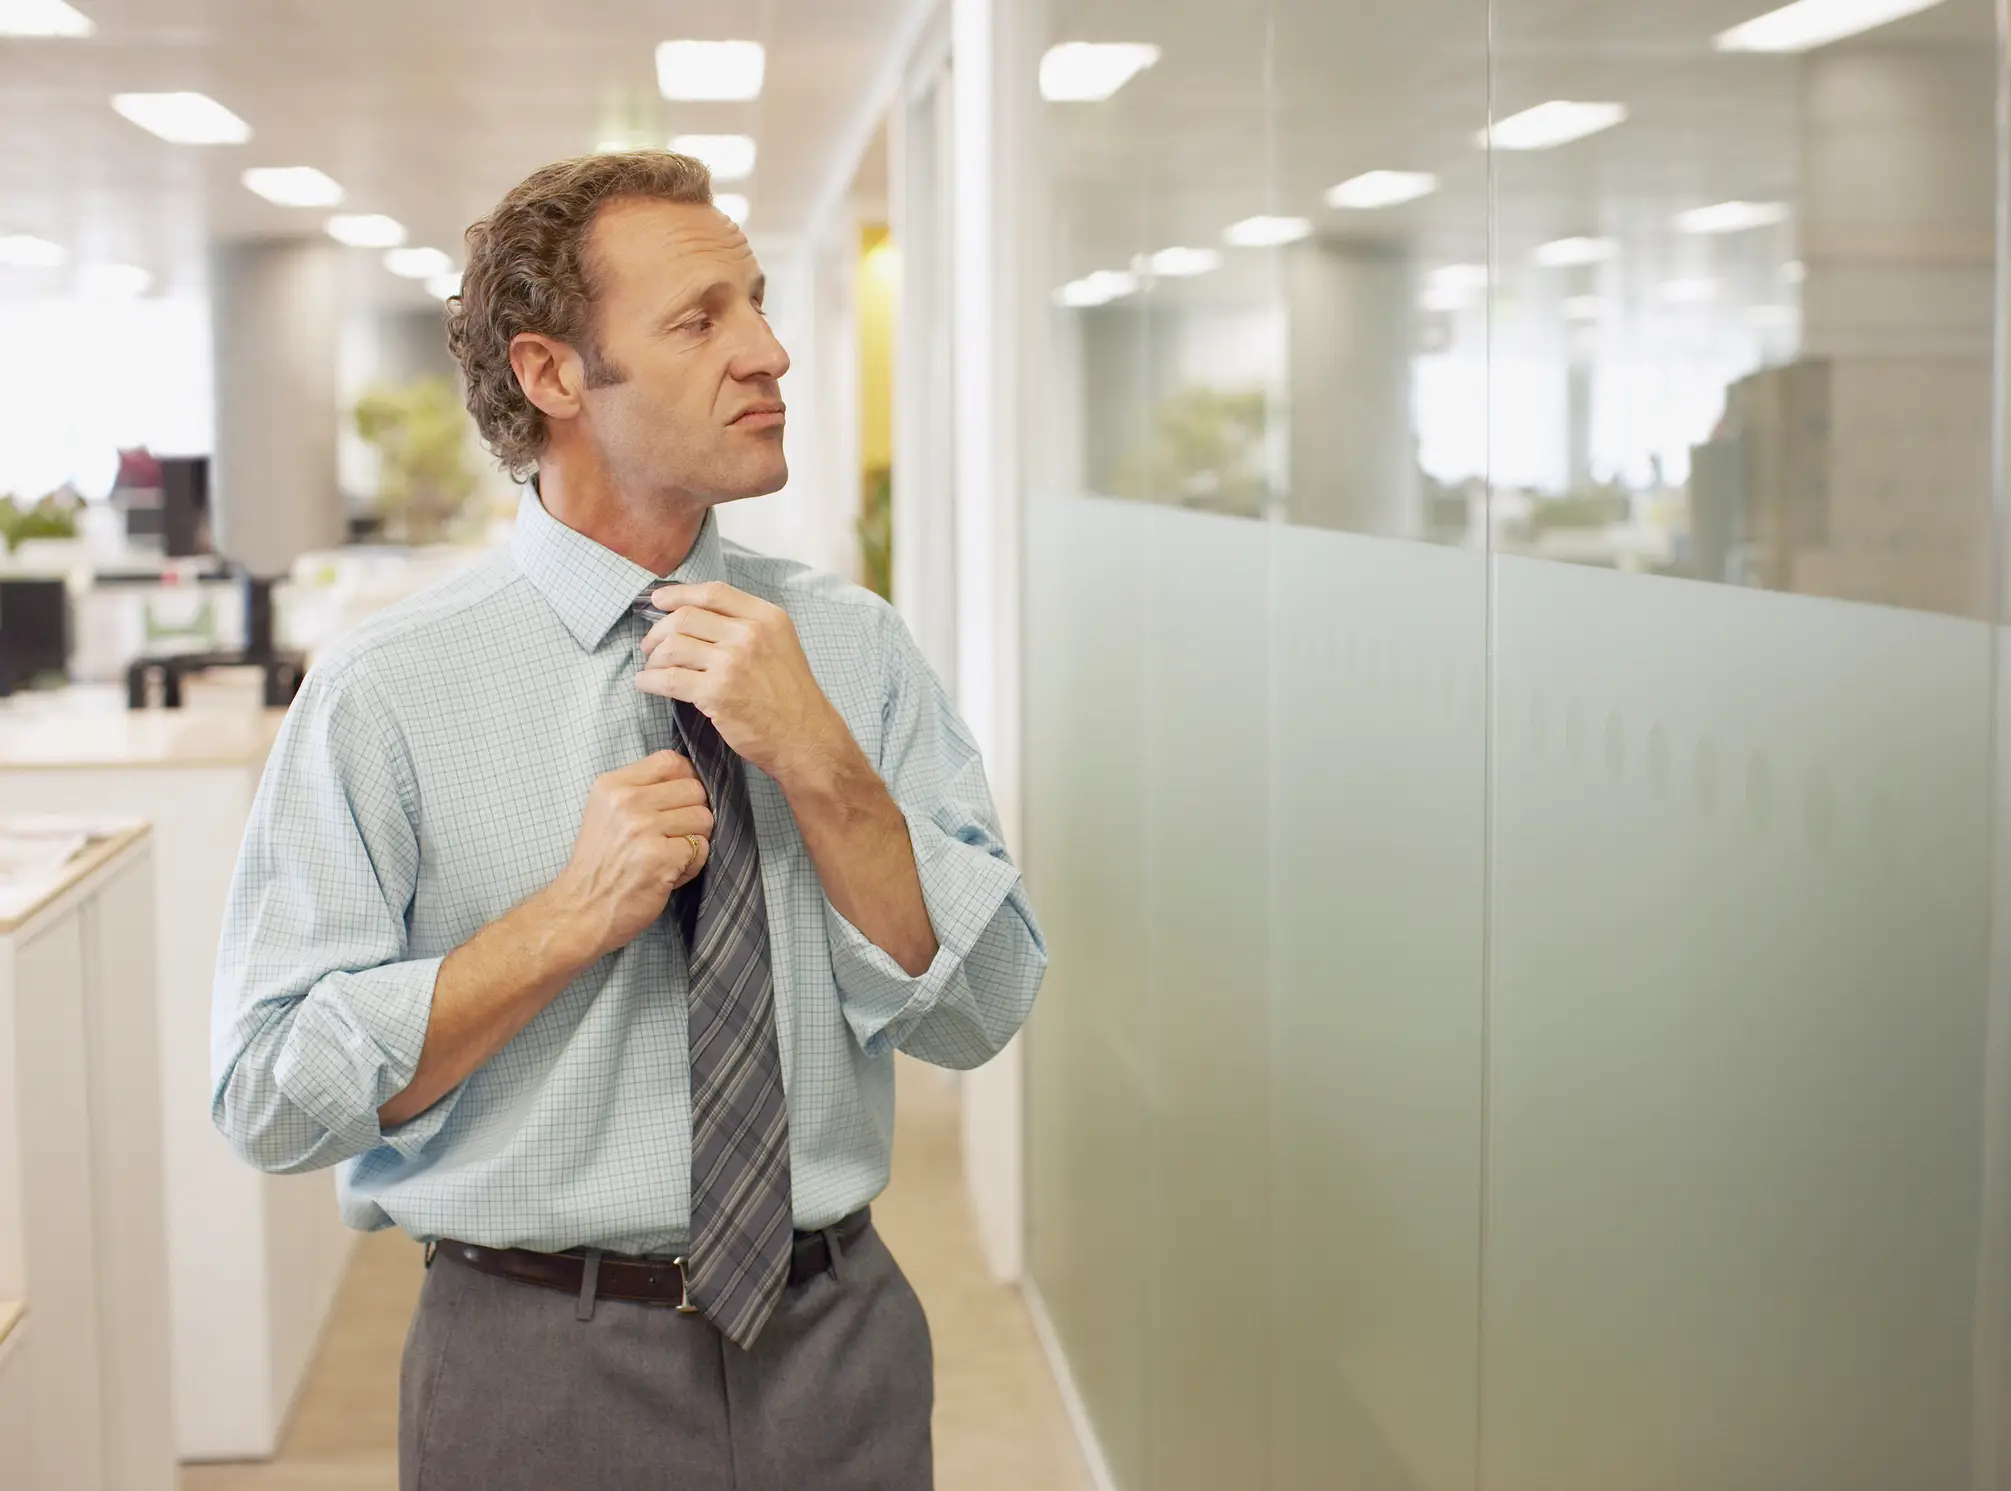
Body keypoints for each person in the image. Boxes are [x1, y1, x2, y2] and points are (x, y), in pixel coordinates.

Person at [210, 151, 1046, 1491]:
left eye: (759, 305)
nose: (769, 351)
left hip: (838, 1350)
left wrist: (822, 764)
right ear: (550, 376)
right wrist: (560, 922)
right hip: (533, 1368)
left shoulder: (852, 648)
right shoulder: (387, 690)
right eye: (700, 318)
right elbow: (266, 1094)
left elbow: (981, 1006)